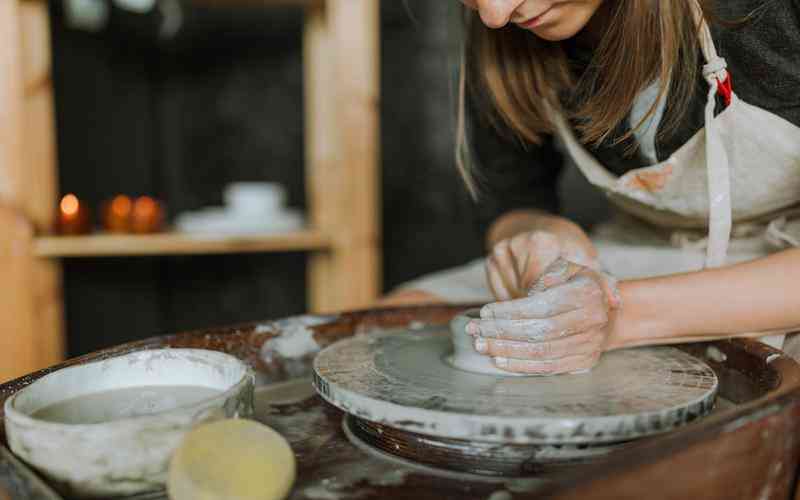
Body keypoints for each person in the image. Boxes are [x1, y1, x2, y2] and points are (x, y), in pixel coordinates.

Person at [382, 0, 800, 375]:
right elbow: (511, 198)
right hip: (637, 250)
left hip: (778, 268)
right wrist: (533, 236)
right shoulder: (505, 27)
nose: (496, 14)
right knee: (396, 319)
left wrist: (620, 315)